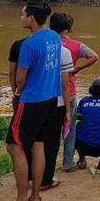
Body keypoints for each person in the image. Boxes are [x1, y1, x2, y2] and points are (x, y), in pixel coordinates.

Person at [0, 3, 61, 201]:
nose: (20, 17)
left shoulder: (29, 44)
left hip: (32, 100)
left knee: (14, 146)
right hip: (50, 99)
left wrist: (17, 91)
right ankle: (35, 196)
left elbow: (20, 78)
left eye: (22, 14)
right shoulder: (54, 36)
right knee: (38, 146)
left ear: (32, 18)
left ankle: (21, 200)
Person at [49, 13, 99, 172]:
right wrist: (77, 68)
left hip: (48, 93)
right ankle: (68, 163)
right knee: (69, 129)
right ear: (69, 28)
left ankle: (46, 164)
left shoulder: (46, 44)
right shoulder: (76, 45)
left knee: (50, 131)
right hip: (69, 92)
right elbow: (93, 56)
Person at [38, 40, 73, 190]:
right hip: (56, 103)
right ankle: (46, 180)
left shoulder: (35, 46)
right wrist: (67, 110)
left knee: (36, 142)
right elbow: (65, 84)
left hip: (36, 102)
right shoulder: (64, 52)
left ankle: (30, 177)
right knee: (52, 144)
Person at [75, 77, 100, 170]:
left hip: (82, 145)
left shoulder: (84, 100)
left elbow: (78, 115)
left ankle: (81, 159)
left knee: (78, 126)